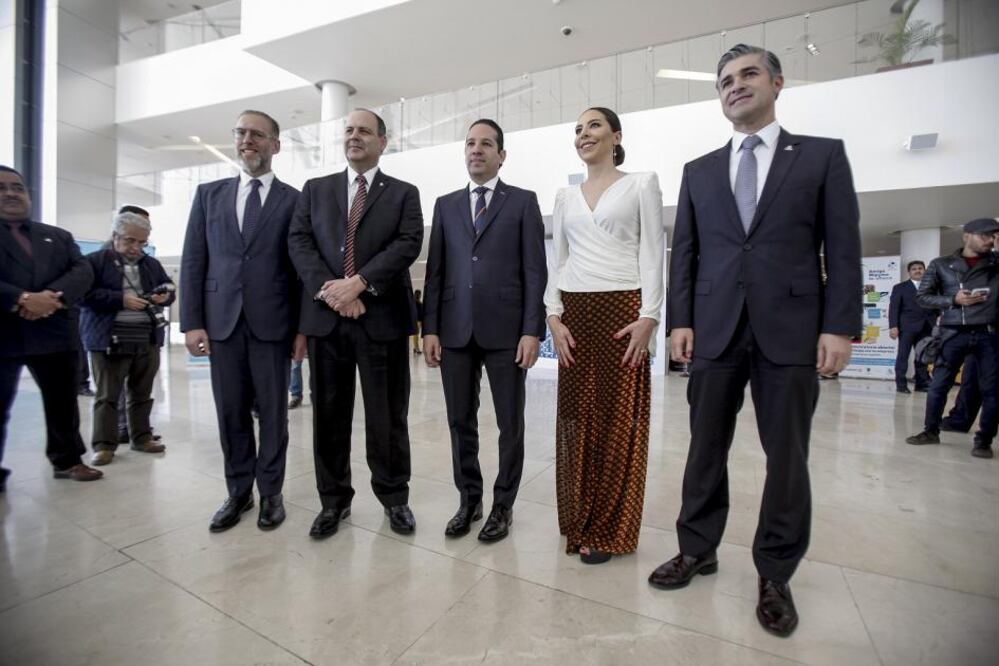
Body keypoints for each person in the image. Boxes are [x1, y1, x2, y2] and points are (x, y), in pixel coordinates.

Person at [648, 44, 862, 638]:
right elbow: (685, 254)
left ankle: (775, 571)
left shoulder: (820, 157)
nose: (735, 86)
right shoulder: (700, 171)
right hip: (714, 328)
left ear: (777, 83)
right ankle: (698, 548)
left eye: (747, 76)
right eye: (725, 81)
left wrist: (840, 325)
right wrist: (681, 322)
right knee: (703, 448)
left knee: (786, 457)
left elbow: (843, 247)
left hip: (791, 330)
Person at [288, 108, 423, 539]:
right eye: (348, 130)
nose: (354, 136)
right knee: (328, 415)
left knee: (388, 417)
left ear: (383, 142)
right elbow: (300, 241)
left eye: (364, 131)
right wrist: (335, 291)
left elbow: (408, 243)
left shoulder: (403, 193)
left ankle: (394, 497)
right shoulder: (315, 190)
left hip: (380, 319)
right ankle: (333, 502)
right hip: (328, 322)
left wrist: (360, 284)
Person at [545, 107, 665, 564]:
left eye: (593, 126)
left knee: (618, 422)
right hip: (574, 311)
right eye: (577, 129)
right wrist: (553, 315)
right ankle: (577, 516)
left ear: (616, 136)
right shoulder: (563, 195)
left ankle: (609, 527)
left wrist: (650, 315)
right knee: (575, 419)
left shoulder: (641, 183)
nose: (583, 134)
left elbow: (654, 252)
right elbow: (560, 259)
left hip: (622, 309)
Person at [422, 119, 547, 542]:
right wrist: (430, 328)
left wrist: (532, 330)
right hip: (454, 331)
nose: (476, 149)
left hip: (507, 333)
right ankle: (469, 500)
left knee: (510, 423)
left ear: (502, 154)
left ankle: (503, 506)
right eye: (471, 143)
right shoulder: (445, 204)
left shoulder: (523, 202)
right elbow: (436, 273)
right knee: (461, 421)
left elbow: (535, 272)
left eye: (486, 143)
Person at [181, 110, 304, 532]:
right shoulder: (208, 195)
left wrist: (303, 329)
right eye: (241, 133)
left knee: (273, 414)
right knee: (230, 412)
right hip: (222, 325)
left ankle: (271, 493)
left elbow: (302, 269)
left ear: (275, 144)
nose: (247, 141)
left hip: (274, 325)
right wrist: (191, 322)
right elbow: (195, 261)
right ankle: (238, 493)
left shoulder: (294, 200)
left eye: (257, 135)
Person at [0, 165, 101, 487]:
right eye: (2, 188)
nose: (11, 193)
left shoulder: (57, 236)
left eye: (17, 187)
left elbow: (82, 271)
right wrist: (23, 298)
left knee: (62, 403)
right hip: (4, 333)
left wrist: (52, 298)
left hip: (54, 333)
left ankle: (68, 460)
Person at [80, 211, 174, 465]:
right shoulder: (95, 261)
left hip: (146, 338)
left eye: (142, 242)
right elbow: (83, 296)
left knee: (142, 393)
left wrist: (165, 296)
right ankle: (104, 445)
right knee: (107, 395)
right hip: (108, 339)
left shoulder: (150, 264)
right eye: (130, 241)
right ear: (115, 236)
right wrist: (120, 300)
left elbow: (168, 288)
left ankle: (142, 437)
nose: (136, 248)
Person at [906, 218, 999, 459]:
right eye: (984, 235)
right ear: (967, 235)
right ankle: (930, 431)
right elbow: (923, 297)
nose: (989, 240)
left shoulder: (996, 263)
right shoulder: (941, 265)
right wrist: (952, 300)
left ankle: (984, 440)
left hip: (989, 333)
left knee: (992, 390)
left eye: (994, 236)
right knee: (938, 386)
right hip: (953, 332)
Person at [889, 260, 935, 393]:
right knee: (903, 356)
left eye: (920, 268)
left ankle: (921, 384)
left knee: (922, 357)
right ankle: (901, 385)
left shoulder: (931, 287)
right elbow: (894, 308)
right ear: (909, 272)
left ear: (924, 271)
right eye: (914, 269)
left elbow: (935, 304)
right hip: (907, 327)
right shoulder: (900, 287)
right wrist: (893, 326)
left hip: (927, 326)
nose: (917, 271)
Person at [412, 289, 424, 354]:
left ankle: (415, 348)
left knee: (416, 335)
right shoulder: (415, 303)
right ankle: (417, 349)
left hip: (419, 320)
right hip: (417, 320)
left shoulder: (417, 302)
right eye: (419, 294)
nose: (420, 295)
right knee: (416, 335)